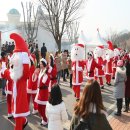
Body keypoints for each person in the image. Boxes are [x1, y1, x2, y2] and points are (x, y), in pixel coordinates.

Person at [35, 58, 50, 125]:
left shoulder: (46, 72)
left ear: (44, 64)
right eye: (40, 64)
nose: (40, 65)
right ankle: (44, 119)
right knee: (38, 107)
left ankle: (45, 120)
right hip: (39, 91)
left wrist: (44, 74)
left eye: (41, 64)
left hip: (44, 91)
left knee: (43, 107)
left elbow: (44, 82)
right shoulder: (41, 71)